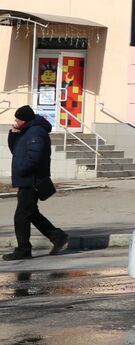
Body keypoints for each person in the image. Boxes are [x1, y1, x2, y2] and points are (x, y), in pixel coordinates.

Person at [6, 106, 67, 260]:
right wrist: (12, 135)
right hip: (27, 178)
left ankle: (23, 249)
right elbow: (16, 150)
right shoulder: (27, 130)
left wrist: (22, 169)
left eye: (17, 119)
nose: (15, 121)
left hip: (32, 179)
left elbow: (35, 157)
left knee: (21, 216)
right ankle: (57, 236)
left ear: (24, 120)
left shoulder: (36, 132)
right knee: (30, 213)